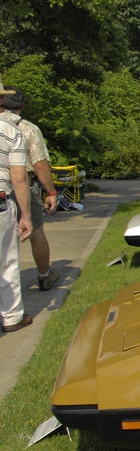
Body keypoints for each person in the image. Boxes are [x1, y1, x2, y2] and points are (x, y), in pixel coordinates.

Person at [0, 87, 61, 290]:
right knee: (35, 231)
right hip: (22, 186)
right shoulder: (28, 129)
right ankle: (44, 275)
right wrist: (51, 192)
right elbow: (40, 165)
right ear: (22, 106)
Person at [0, 82, 35, 332]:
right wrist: (26, 216)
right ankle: (11, 317)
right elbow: (19, 179)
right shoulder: (11, 131)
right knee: (7, 262)